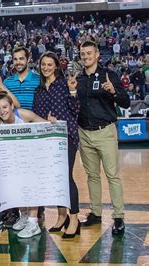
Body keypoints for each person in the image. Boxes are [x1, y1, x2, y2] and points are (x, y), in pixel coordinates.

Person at [68, 41, 130, 235]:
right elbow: (73, 106)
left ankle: (118, 217)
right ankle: (96, 213)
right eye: (82, 54)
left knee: (112, 176)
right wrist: (71, 92)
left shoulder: (108, 75)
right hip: (84, 132)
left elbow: (126, 102)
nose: (85, 56)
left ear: (97, 55)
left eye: (89, 53)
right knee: (92, 176)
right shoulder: (78, 79)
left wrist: (113, 91)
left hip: (105, 132)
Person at [0, 91, 56, 238]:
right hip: (14, 161)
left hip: (31, 158)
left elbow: (44, 124)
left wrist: (50, 121)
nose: (2, 111)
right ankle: (25, 216)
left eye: (5, 107)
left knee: (31, 188)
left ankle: (33, 223)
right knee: (17, 189)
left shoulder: (23, 114)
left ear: (12, 105)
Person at [33, 52, 81, 239]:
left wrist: (73, 92)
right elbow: (37, 114)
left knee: (66, 177)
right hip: (47, 139)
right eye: (43, 64)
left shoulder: (63, 84)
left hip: (66, 136)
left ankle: (74, 219)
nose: (46, 68)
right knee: (55, 180)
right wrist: (44, 120)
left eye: (49, 64)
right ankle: (62, 217)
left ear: (56, 66)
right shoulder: (39, 90)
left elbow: (75, 109)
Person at [2, 46, 42, 228]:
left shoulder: (37, 80)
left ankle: (35, 215)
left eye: (21, 58)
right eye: (15, 59)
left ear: (28, 59)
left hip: (32, 134)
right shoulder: (7, 82)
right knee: (16, 176)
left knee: (32, 177)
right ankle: (22, 214)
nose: (18, 62)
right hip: (13, 137)